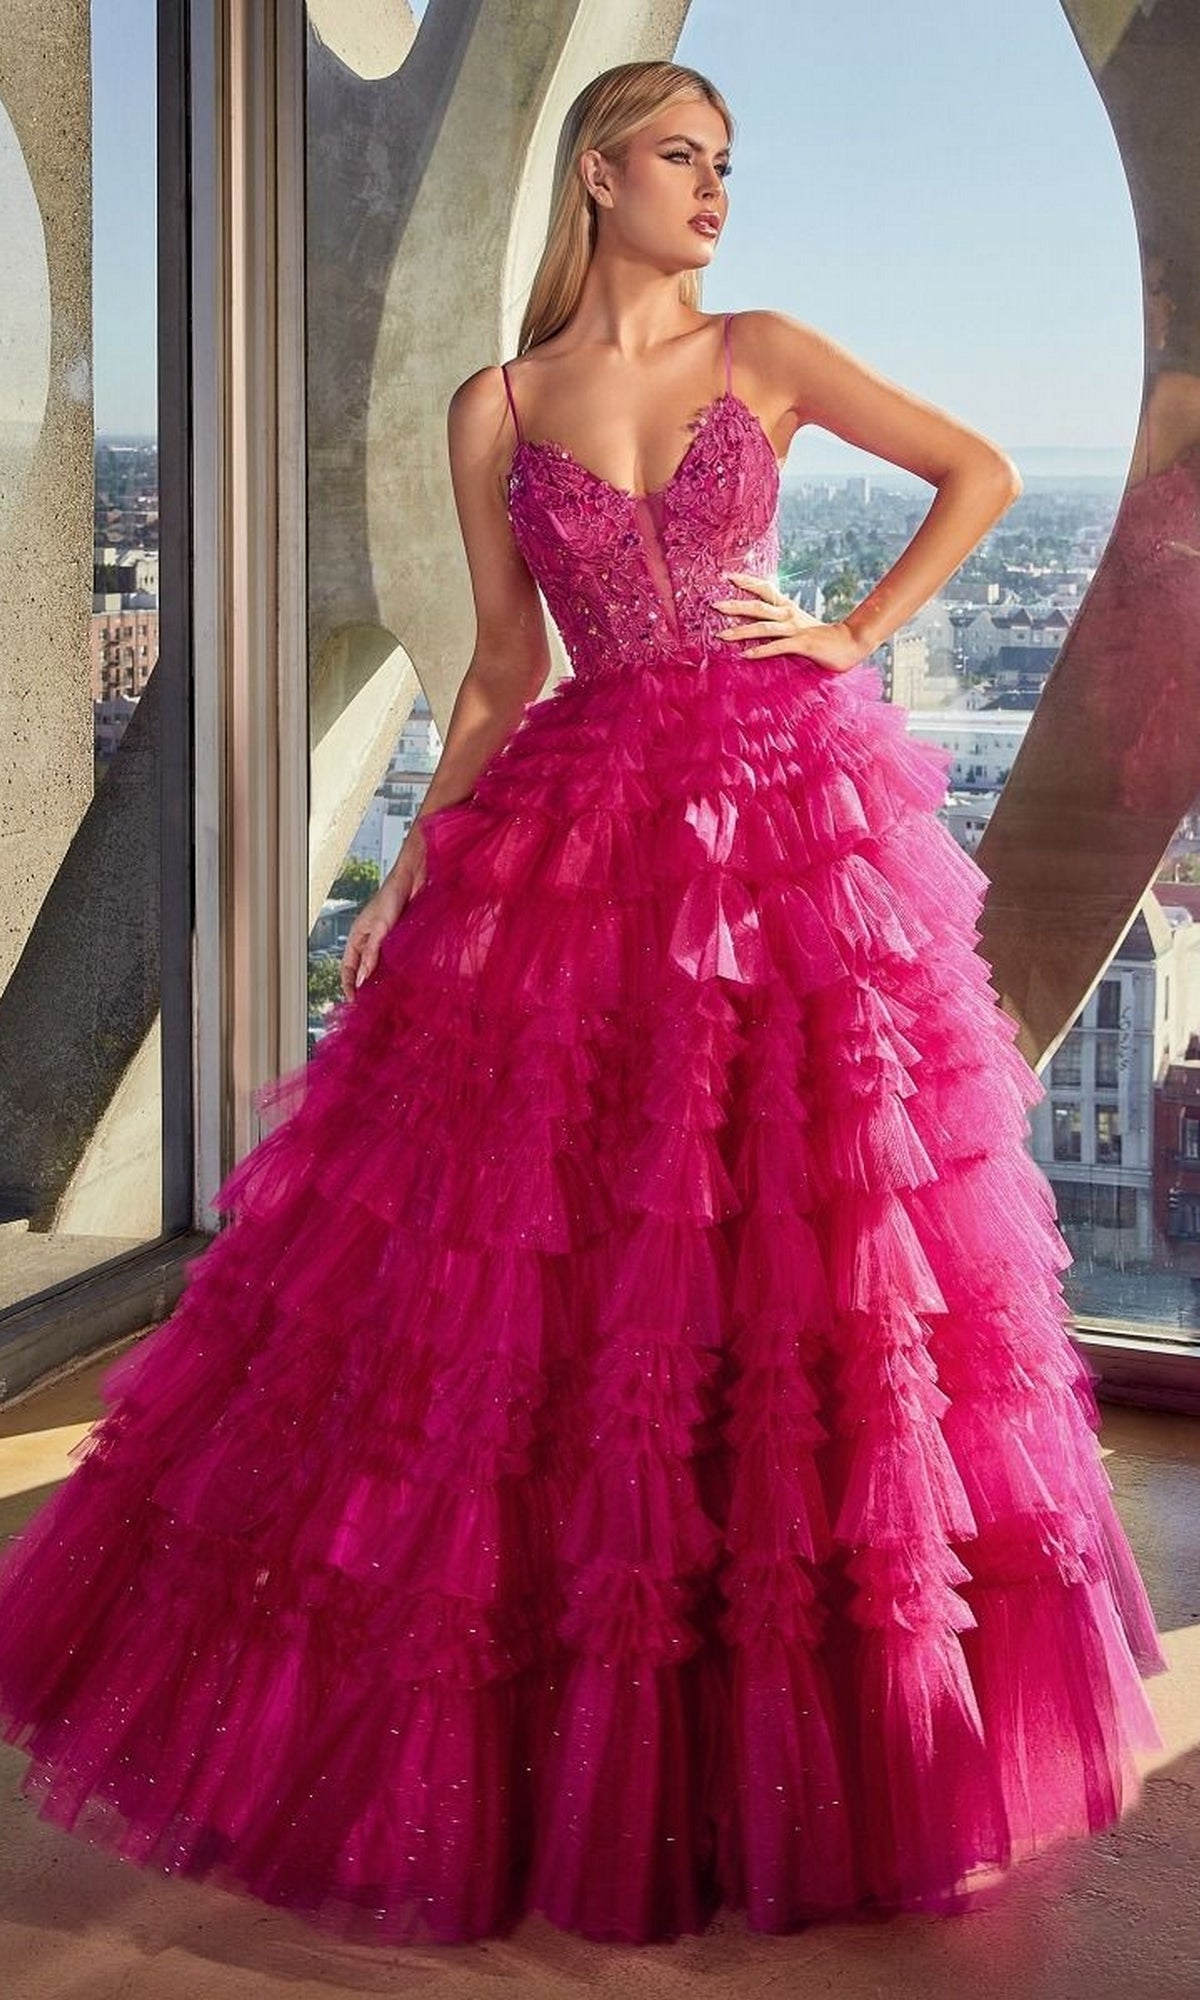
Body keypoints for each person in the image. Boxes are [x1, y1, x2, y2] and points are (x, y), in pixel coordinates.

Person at [0, 58, 1167, 1950]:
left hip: (782, 821)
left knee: (804, 1245)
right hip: (582, 825)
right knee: (574, 1262)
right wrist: (398, 883)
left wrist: (855, 634)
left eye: (731, 165)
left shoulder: (766, 349)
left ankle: (799, 1724)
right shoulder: (500, 404)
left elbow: (984, 475)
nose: (717, 193)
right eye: (686, 160)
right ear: (597, 170)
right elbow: (490, 670)